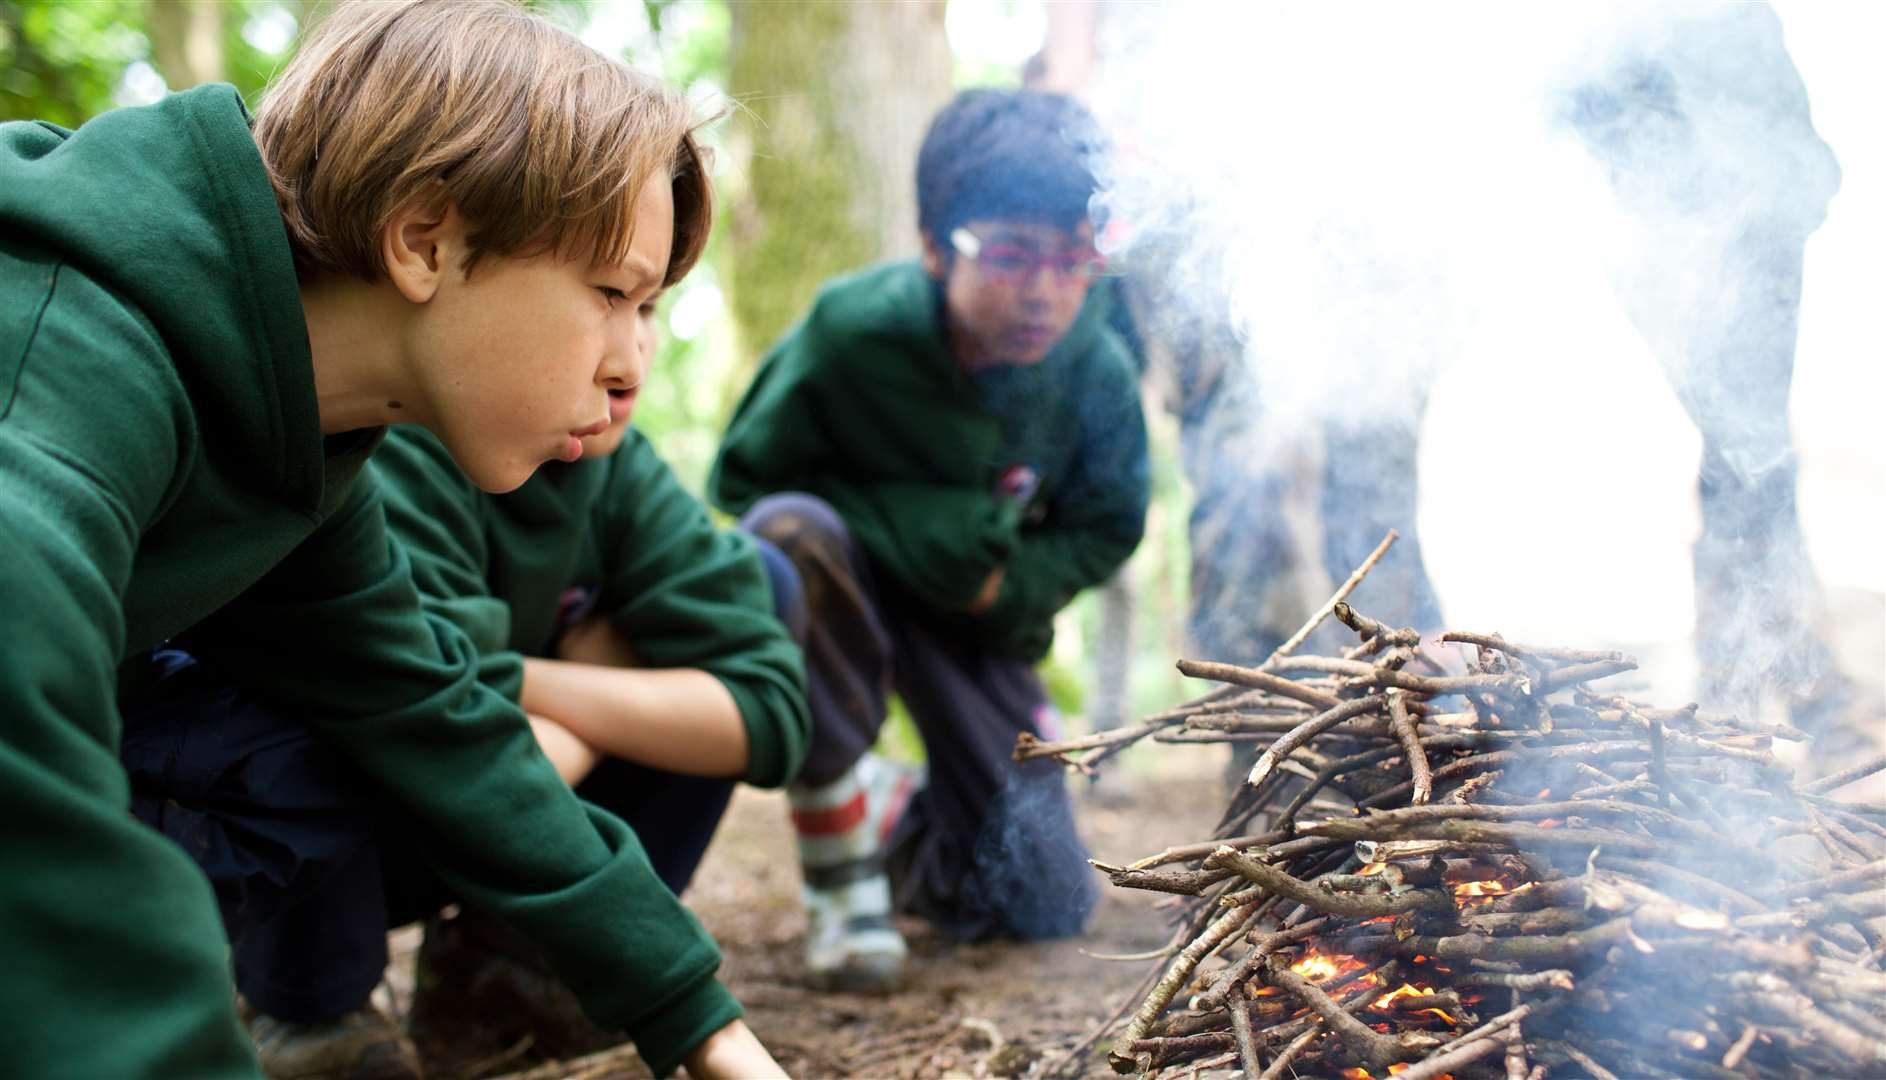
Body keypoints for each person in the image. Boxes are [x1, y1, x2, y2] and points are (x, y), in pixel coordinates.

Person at [0, 1, 780, 1076]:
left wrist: (695, 1020)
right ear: (425, 240)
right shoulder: (69, 349)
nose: (625, 363)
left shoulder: (297, 435)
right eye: (609, 293)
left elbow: (429, 712)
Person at [210, 285, 812, 1078]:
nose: (630, 359)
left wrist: (539, 692)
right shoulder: (400, 448)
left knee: (766, 579)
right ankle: (310, 1004)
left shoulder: (621, 472)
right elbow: (413, 702)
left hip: (507, 805)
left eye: (648, 308)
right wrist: (592, 680)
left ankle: (519, 967)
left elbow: (769, 714)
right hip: (391, 810)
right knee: (323, 688)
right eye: (603, 299)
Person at [709, 89, 1150, 990]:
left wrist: (1007, 586)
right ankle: (840, 863)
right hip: (850, 587)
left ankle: (894, 814)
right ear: (931, 245)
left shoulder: (1093, 368)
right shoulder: (854, 333)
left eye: (1072, 260)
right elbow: (746, 483)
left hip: (979, 617)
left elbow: (1108, 525)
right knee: (791, 535)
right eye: (1013, 255)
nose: (1044, 291)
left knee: (1039, 897)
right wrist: (918, 532)